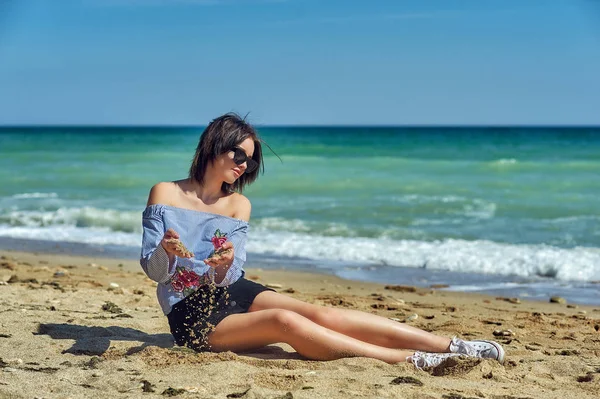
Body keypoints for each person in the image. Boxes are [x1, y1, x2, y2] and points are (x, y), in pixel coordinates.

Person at [140, 113, 505, 368]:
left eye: (250, 162)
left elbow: (231, 274)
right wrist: (166, 252)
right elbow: (154, 273)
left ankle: (452, 345)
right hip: (192, 314)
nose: (243, 165)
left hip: (229, 290)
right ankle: (412, 359)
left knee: (320, 314)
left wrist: (223, 265)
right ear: (214, 144)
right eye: (238, 154)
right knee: (286, 321)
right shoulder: (166, 192)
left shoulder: (239, 204)